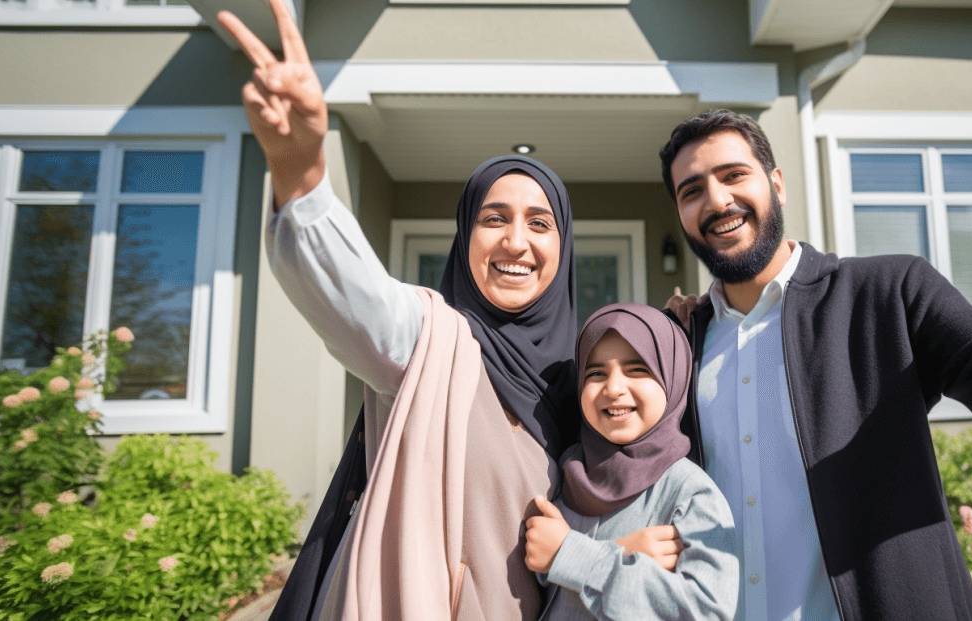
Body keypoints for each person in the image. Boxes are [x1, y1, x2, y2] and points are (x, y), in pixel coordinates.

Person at [660, 2, 972, 620]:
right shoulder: (676, 344)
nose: (716, 200)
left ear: (776, 184)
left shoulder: (886, 296)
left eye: (732, 175)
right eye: (692, 190)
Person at [215, 2, 681, 620]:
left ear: (562, 250)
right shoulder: (427, 340)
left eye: (539, 224)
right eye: (494, 219)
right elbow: (350, 294)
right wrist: (300, 170)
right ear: (465, 240)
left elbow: (567, 551)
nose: (517, 242)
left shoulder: (583, 388)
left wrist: (613, 555)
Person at [524, 303, 739, 621]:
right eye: (596, 373)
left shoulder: (690, 493)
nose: (613, 388)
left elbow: (705, 610)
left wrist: (574, 556)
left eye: (637, 369)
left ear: (672, 379)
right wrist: (623, 551)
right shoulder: (563, 475)